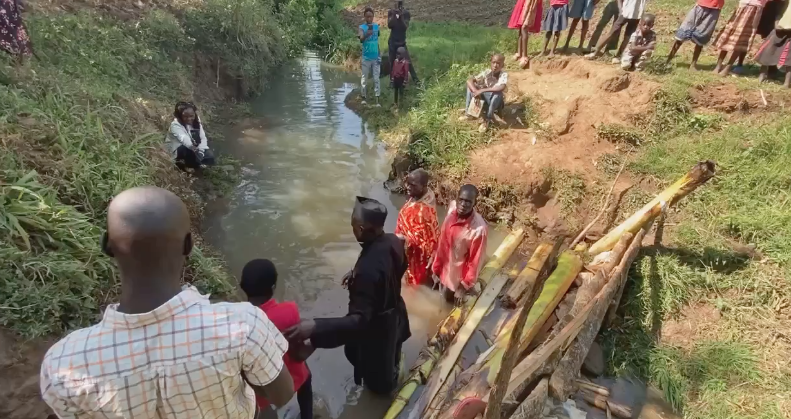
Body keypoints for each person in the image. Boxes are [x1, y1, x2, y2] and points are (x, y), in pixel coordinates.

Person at [40, 186, 295, 419]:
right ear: (188, 245)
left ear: (107, 246)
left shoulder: (64, 364)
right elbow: (281, 394)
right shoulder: (242, 325)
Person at [285, 197, 410, 395]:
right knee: (393, 354)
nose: (352, 229)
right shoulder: (394, 241)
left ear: (361, 229)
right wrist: (356, 275)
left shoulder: (367, 270)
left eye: (353, 224)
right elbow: (398, 267)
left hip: (377, 332)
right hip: (396, 315)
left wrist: (315, 328)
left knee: (380, 384)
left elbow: (358, 322)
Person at [240, 259, 314, 419]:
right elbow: (297, 345)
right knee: (306, 378)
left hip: (263, 387)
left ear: (242, 288)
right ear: (273, 288)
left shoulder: (241, 322)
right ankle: (307, 415)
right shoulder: (290, 309)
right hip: (294, 375)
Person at [432, 185, 488, 303]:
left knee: (448, 301)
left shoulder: (478, 229)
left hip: (456, 276)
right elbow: (442, 240)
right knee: (438, 298)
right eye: (461, 200)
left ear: (475, 203)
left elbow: (476, 260)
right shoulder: (452, 208)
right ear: (456, 199)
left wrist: (464, 286)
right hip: (443, 267)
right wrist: (436, 266)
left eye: (468, 201)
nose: (463, 204)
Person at [395, 169, 439, 286]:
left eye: (413, 185)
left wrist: (401, 240)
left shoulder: (423, 211)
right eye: (407, 183)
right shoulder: (427, 194)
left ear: (424, 186)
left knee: (413, 284)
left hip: (416, 253)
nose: (408, 187)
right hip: (412, 248)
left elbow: (423, 239)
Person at [711, 0, 767, 76]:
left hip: (754, 10)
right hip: (742, 6)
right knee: (728, 34)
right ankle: (718, 66)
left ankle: (728, 68)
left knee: (742, 38)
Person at [585, 0, 650, 64]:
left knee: (628, 36)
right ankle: (595, 52)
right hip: (626, 12)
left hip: (637, 14)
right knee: (613, 32)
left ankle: (618, 56)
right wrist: (621, 9)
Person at [666, 0, 725, 70]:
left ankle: (693, 65)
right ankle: (668, 60)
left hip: (715, 9)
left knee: (702, 36)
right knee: (683, 33)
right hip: (701, 5)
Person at [460, 54, 508, 133]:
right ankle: (469, 114)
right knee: (471, 86)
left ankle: (487, 120)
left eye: (498, 63)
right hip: (485, 100)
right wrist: (475, 91)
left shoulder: (503, 74)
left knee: (497, 94)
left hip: (495, 103)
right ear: (490, 63)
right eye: (493, 62)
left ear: (502, 65)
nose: (495, 65)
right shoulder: (486, 72)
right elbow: (469, 80)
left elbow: (501, 87)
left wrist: (482, 90)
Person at [166, 101, 216, 170]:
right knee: (189, 152)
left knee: (210, 157)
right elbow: (184, 140)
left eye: (191, 116)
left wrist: (201, 151)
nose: (189, 119)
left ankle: (195, 163)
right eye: (185, 116)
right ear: (180, 116)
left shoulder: (196, 120)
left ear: (194, 114)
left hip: (194, 145)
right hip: (178, 148)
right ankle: (184, 164)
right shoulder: (175, 125)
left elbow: (202, 137)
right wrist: (195, 150)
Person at [755, 0, 791, 87]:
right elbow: (780, 9)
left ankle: (787, 83)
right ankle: (762, 76)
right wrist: (776, 23)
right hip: (780, 27)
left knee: (789, 57)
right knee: (767, 50)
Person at [388, 0, 419, 84]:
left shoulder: (406, 14)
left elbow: (405, 27)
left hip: (402, 42)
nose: (398, 5)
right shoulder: (391, 12)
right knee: (392, 62)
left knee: (408, 62)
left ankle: (416, 80)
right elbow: (390, 25)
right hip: (392, 42)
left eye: (400, 3)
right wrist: (395, 15)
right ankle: (392, 82)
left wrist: (401, 17)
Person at [508, 0, 544, 67]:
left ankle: (525, 56)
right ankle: (519, 53)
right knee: (521, 27)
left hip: (532, 3)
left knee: (524, 27)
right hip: (525, 2)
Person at [359, 7, 381, 107]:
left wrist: (379, 54)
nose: (369, 19)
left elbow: (377, 42)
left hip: (375, 57)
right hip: (366, 57)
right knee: (364, 79)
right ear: (364, 17)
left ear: (373, 17)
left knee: (376, 79)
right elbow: (361, 40)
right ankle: (363, 98)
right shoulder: (361, 27)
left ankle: (377, 100)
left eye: (371, 17)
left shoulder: (377, 27)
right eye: (367, 17)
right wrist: (366, 34)